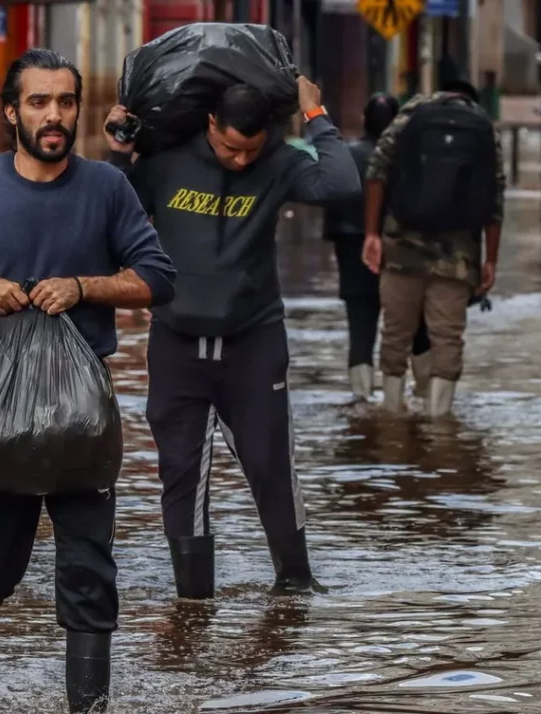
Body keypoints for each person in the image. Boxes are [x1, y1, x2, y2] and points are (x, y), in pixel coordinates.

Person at [0, 49, 176, 712]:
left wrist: (83, 287)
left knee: (88, 571)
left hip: (80, 415)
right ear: (12, 111)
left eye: (66, 102)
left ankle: (89, 705)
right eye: (40, 102)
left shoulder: (107, 188)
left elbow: (157, 278)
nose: (55, 116)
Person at [104, 78, 360, 599]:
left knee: (270, 464)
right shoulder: (167, 159)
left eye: (251, 149)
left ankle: (295, 583)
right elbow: (110, 210)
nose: (240, 160)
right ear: (210, 125)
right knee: (182, 472)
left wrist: (316, 113)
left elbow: (342, 185)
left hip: (254, 340)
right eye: (229, 147)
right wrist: (118, 151)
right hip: (176, 341)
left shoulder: (281, 161)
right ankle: (193, 601)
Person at [362, 79, 504, 417]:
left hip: (402, 246)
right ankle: (440, 424)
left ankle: (392, 412)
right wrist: (490, 261)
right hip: (458, 256)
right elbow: (496, 198)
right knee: (447, 337)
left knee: (396, 333)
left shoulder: (412, 113)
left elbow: (376, 171)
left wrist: (372, 234)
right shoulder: (483, 126)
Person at [323, 93, 431, 400]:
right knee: (416, 326)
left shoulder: (346, 154)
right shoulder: (411, 157)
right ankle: (423, 396)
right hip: (402, 250)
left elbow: (331, 202)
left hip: (352, 248)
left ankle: (361, 400)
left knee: (360, 328)